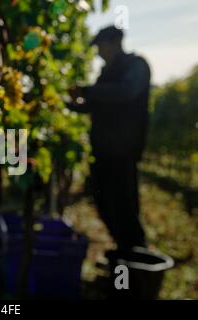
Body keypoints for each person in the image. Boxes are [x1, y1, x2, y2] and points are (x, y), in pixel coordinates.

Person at [68, 26, 151, 256]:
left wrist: (88, 90)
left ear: (115, 42)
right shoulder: (106, 74)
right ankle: (122, 248)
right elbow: (93, 104)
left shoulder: (137, 66)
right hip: (102, 150)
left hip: (123, 151)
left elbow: (125, 92)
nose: (97, 53)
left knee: (124, 203)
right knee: (103, 200)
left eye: (100, 46)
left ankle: (136, 254)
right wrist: (67, 104)